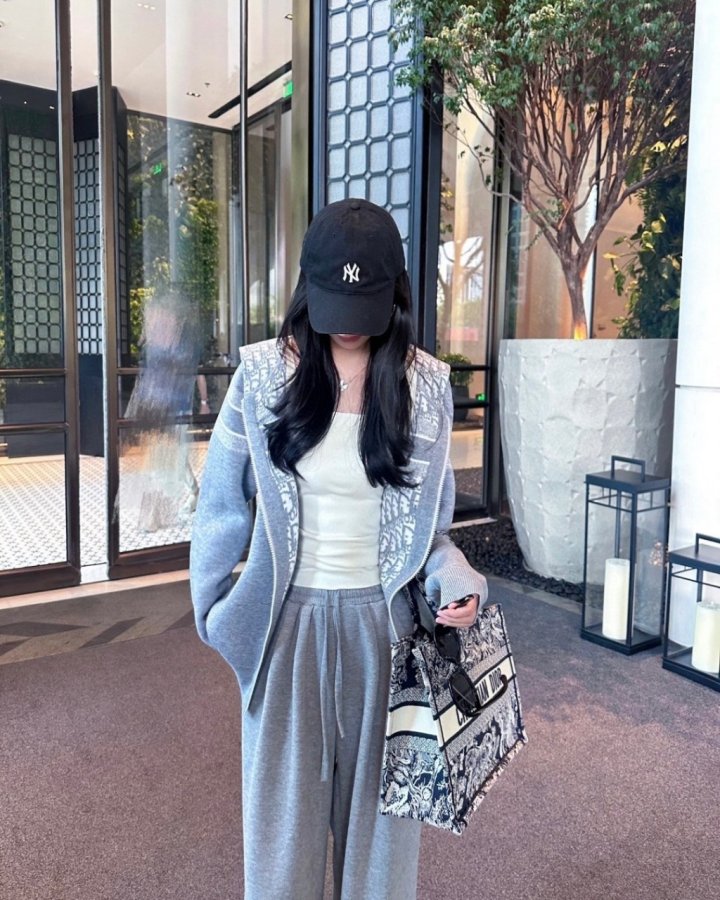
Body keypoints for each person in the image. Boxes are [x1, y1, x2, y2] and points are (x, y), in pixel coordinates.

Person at [189, 198, 488, 900]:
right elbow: (220, 505)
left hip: (388, 638)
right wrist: (216, 610)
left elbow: (430, 531)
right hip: (285, 632)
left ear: (396, 295)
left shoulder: (425, 386)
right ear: (308, 289)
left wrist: (458, 579)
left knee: (382, 862)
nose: (348, 325)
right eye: (334, 305)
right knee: (281, 856)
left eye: (365, 307)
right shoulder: (263, 375)